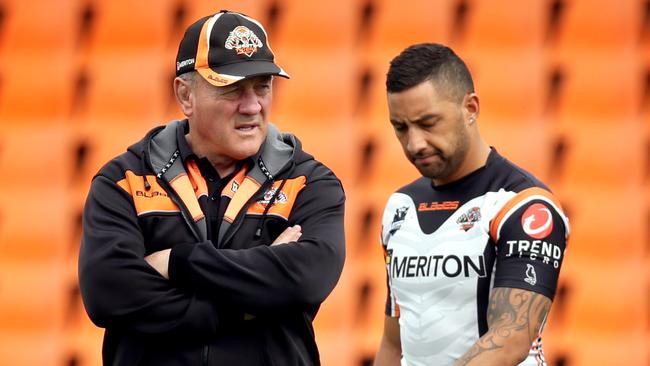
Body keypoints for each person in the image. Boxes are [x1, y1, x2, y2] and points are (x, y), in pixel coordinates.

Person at [78, 10, 345, 366]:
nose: (252, 106)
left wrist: (178, 261)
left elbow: (305, 279)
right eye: (233, 88)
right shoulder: (122, 180)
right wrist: (251, 304)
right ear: (185, 95)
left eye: (263, 86)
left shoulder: (310, 182)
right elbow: (108, 293)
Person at [373, 43, 569, 366]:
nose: (414, 143)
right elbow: (393, 344)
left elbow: (511, 339)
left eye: (428, 122)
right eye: (401, 127)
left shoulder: (524, 205)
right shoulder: (399, 207)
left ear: (471, 108)